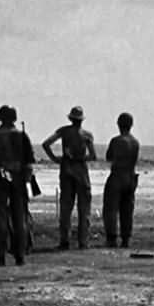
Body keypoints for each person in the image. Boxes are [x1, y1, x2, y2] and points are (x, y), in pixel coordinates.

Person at [0, 104, 39, 267]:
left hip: (1, 180)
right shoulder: (22, 136)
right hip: (19, 179)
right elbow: (30, 161)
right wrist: (27, 179)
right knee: (20, 218)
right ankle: (20, 255)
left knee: (0, 218)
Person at [42, 105, 96, 250]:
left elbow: (46, 144)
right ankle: (83, 241)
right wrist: (81, 158)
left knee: (66, 207)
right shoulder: (87, 135)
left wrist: (55, 159)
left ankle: (64, 240)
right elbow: (93, 155)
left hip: (66, 170)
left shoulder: (63, 131)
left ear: (71, 119)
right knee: (84, 208)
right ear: (81, 120)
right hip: (81, 171)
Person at [101, 112, 141, 248]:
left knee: (111, 208)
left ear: (119, 124)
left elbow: (109, 157)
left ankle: (111, 238)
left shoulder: (116, 141)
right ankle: (126, 238)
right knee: (127, 209)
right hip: (131, 177)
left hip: (118, 175)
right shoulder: (135, 142)